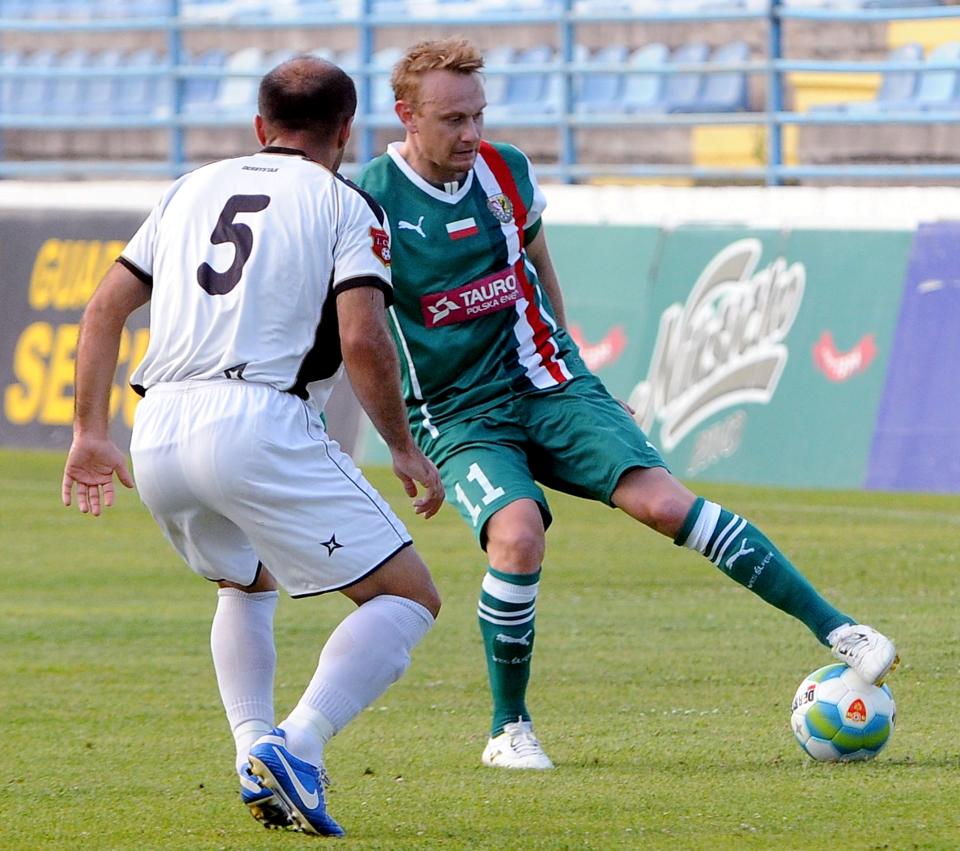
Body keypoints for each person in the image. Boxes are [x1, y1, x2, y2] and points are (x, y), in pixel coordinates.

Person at [356, 37, 899, 771]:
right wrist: (400, 441)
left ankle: (842, 631)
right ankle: (508, 727)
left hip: (548, 381)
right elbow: (357, 329)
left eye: (479, 115)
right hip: (456, 412)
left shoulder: (505, 173)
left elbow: (538, 264)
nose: (471, 134)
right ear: (406, 116)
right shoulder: (370, 200)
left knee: (667, 504)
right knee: (516, 537)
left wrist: (578, 374)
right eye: (453, 119)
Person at [61, 56, 444, 836]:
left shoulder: (189, 188)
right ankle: (296, 746)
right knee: (408, 596)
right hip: (257, 417)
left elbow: (104, 311)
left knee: (246, 581)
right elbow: (364, 337)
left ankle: (251, 753)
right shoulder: (346, 203)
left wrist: (88, 433)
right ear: (346, 131)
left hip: (158, 421)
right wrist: (402, 447)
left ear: (259, 129)